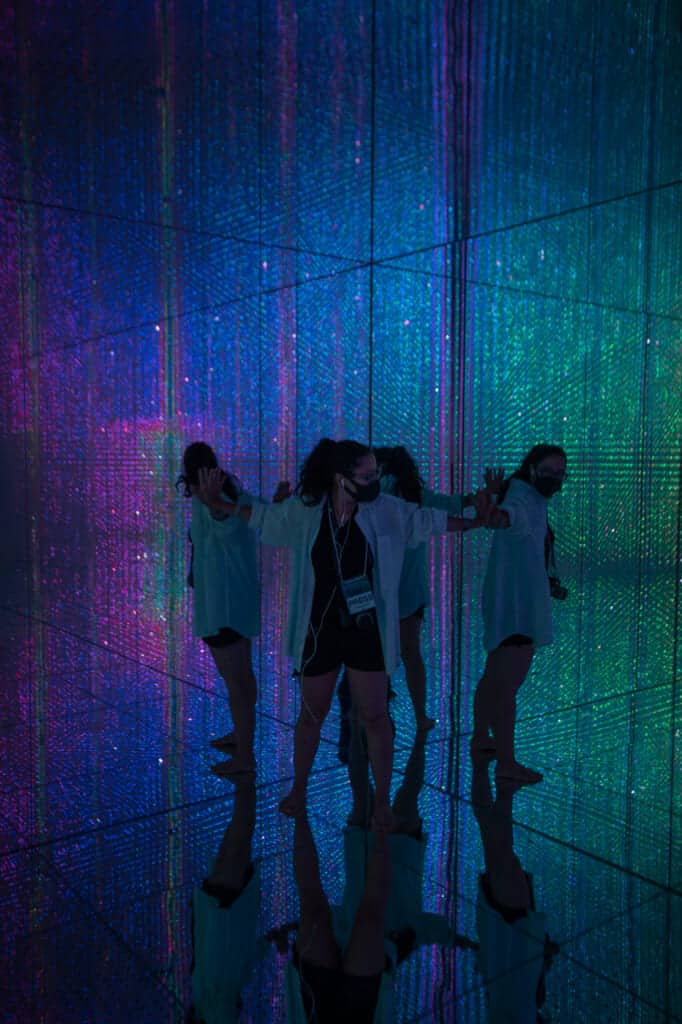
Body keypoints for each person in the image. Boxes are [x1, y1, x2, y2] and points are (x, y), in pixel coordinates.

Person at [195, 438, 486, 831]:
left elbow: (425, 520)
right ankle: (298, 790)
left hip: (366, 630)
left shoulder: (383, 510)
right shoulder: (308, 512)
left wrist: (475, 520)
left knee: (376, 716)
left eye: (375, 474)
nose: (373, 481)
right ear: (339, 478)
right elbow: (265, 519)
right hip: (321, 630)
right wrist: (221, 505)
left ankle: (382, 802)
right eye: (365, 476)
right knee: (312, 715)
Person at [178, 442, 289, 778]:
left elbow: (227, 529)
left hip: (222, 609)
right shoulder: (227, 497)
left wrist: (213, 505)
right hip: (229, 605)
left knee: (236, 680)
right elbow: (258, 515)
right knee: (240, 677)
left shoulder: (215, 502)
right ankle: (242, 737)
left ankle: (245, 756)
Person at [373, 445, 489, 731]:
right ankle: (418, 714)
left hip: (382, 585)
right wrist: (480, 501)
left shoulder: (376, 496)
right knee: (410, 652)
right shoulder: (416, 497)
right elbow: (453, 505)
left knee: (377, 652)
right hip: (409, 586)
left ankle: (377, 710)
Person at [471, 444, 568, 785]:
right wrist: (490, 505)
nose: (556, 478)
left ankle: (482, 738)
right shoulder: (523, 499)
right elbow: (505, 520)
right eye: (551, 471)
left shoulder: (527, 496)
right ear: (531, 468)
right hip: (518, 611)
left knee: (493, 676)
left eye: (561, 472)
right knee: (506, 686)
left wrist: (548, 583)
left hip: (510, 604)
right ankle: (506, 763)